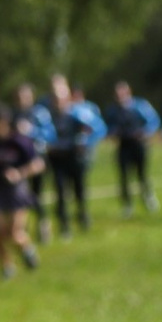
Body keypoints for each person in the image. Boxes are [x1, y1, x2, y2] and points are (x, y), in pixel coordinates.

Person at [0, 104, 44, 277]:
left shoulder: (19, 141)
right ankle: (7, 268)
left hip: (16, 190)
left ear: (3, 121)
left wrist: (19, 173)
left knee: (14, 233)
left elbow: (38, 164)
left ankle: (27, 250)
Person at [43, 74, 103, 238]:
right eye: (54, 98)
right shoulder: (47, 115)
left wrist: (85, 142)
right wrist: (47, 144)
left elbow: (99, 128)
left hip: (74, 157)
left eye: (61, 98)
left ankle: (83, 215)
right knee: (60, 190)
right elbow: (42, 133)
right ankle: (64, 224)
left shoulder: (79, 113)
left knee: (79, 189)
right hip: (57, 157)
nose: (58, 101)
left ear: (68, 97)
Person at [106, 81, 160, 217]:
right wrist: (113, 132)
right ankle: (127, 204)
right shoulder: (113, 110)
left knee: (142, 174)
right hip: (124, 145)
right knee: (124, 176)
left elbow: (153, 120)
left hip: (138, 144)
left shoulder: (140, 106)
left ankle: (148, 196)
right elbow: (109, 126)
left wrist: (145, 132)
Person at [13, 84, 56, 243]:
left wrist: (31, 131)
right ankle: (20, 228)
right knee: (20, 194)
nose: (22, 100)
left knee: (36, 194)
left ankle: (43, 224)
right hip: (19, 160)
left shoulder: (40, 113)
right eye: (19, 97)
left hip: (37, 159)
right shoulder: (13, 115)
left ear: (32, 97)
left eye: (25, 97)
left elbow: (50, 135)